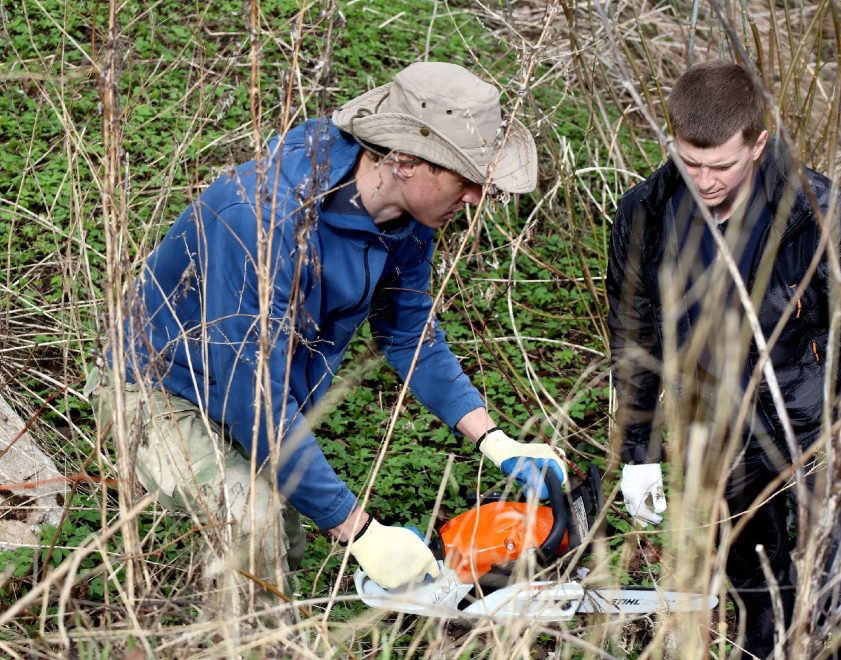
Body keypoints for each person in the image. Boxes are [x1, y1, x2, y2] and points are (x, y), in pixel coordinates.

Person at [91, 62, 567, 608]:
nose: (478, 198)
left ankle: (246, 614)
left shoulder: (408, 221)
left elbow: (411, 336)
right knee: (258, 523)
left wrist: (494, 440)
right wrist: (360, 531)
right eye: (467, 180)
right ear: (406, 161)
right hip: (156, 388)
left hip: (260, 385)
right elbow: (257, 404)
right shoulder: (262, 220)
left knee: (284, 536)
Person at [606, 61, 841, 657]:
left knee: (837, 598)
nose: (704, 180)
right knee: (757, 592)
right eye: (689, 161)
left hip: (818, 432)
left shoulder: (816, 212)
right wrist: (638, 453)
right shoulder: (646, 212)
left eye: (721, 165)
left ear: (759, 143)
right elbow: (634, 336)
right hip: (719, 438)